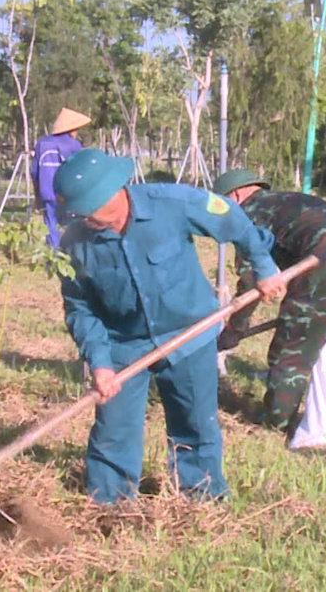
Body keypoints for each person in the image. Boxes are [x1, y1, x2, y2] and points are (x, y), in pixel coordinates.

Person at [56, 148, 286, 504]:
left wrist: (264, 267)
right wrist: (99, 362)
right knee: (113, 429)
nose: (82, 219)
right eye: (77, 213)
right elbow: (80, 307)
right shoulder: (75, 243)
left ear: (112, 193)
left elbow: (234, 221)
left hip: (189, 333)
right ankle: (110, 505)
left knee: (195, 423)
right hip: (124, 343)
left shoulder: (173, 202)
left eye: (87, 210)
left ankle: (200, 498)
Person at [214, 169, 326, 433]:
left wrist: (234, 329)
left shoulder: (249, 213)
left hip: (323, 264)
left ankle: (276, 423)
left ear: (235, 195)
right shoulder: (288, 201)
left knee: (292, 352)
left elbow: (250, 280)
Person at [32, 107, 87, 247]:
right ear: (70, 129)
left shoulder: (42, 144)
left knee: (51, 226)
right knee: (72, 227)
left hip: (47, 192)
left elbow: (35, 173)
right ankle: (70, 257)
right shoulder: (74, 145)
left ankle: (53, 259)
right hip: (67, 194)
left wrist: (37, 197)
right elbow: (79, 171)